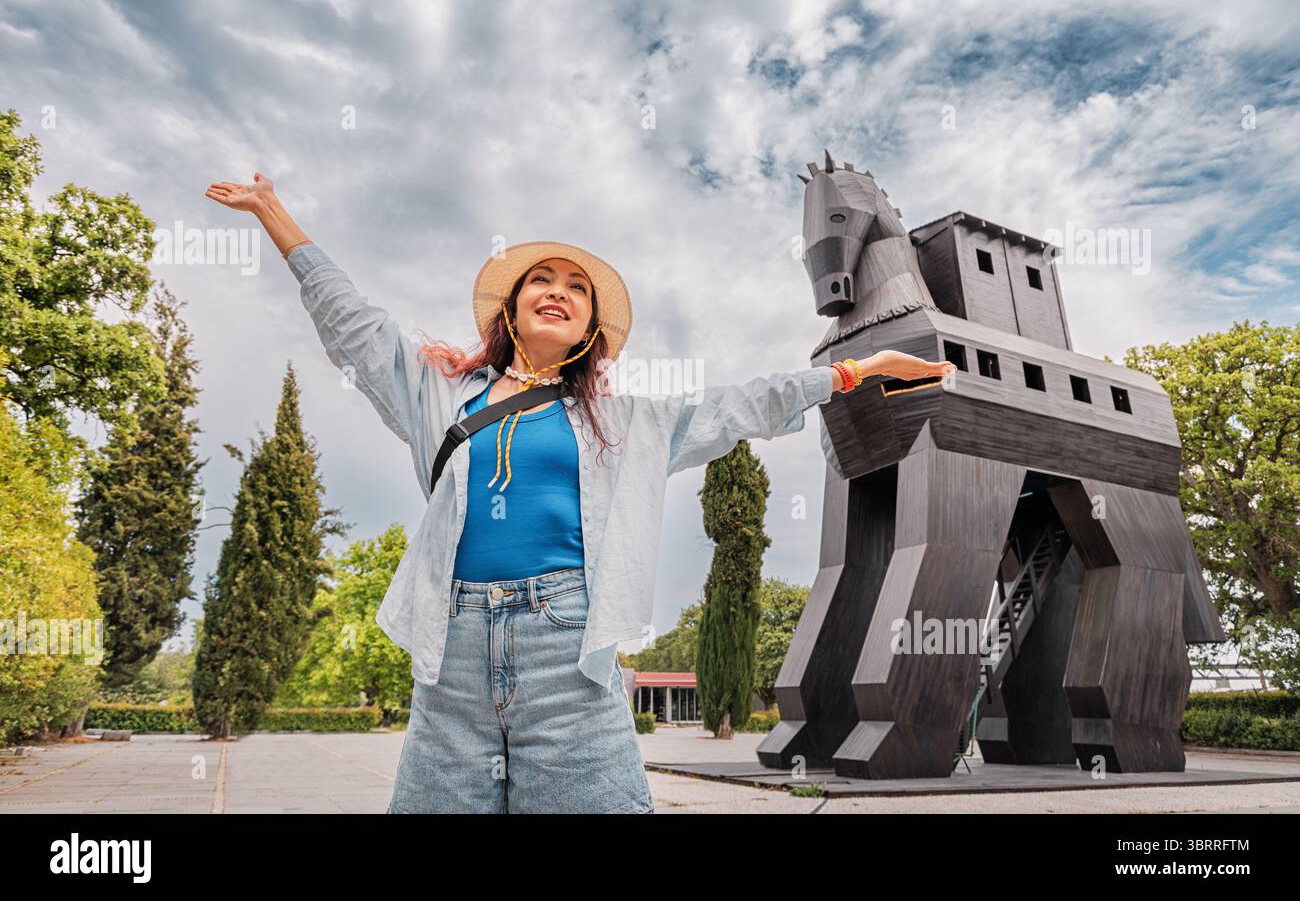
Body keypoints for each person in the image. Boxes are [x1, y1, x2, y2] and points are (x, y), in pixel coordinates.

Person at [204, 172, 956, 813]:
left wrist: (855, 371)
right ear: (512, 308)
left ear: (592, 328)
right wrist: (275, 214)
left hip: (567, 648)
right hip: (452, 653)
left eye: (576, 289)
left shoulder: (627, 422)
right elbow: (354, 327)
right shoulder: (437, 396)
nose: (557, 292)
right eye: (542, 280)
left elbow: (742, 404)